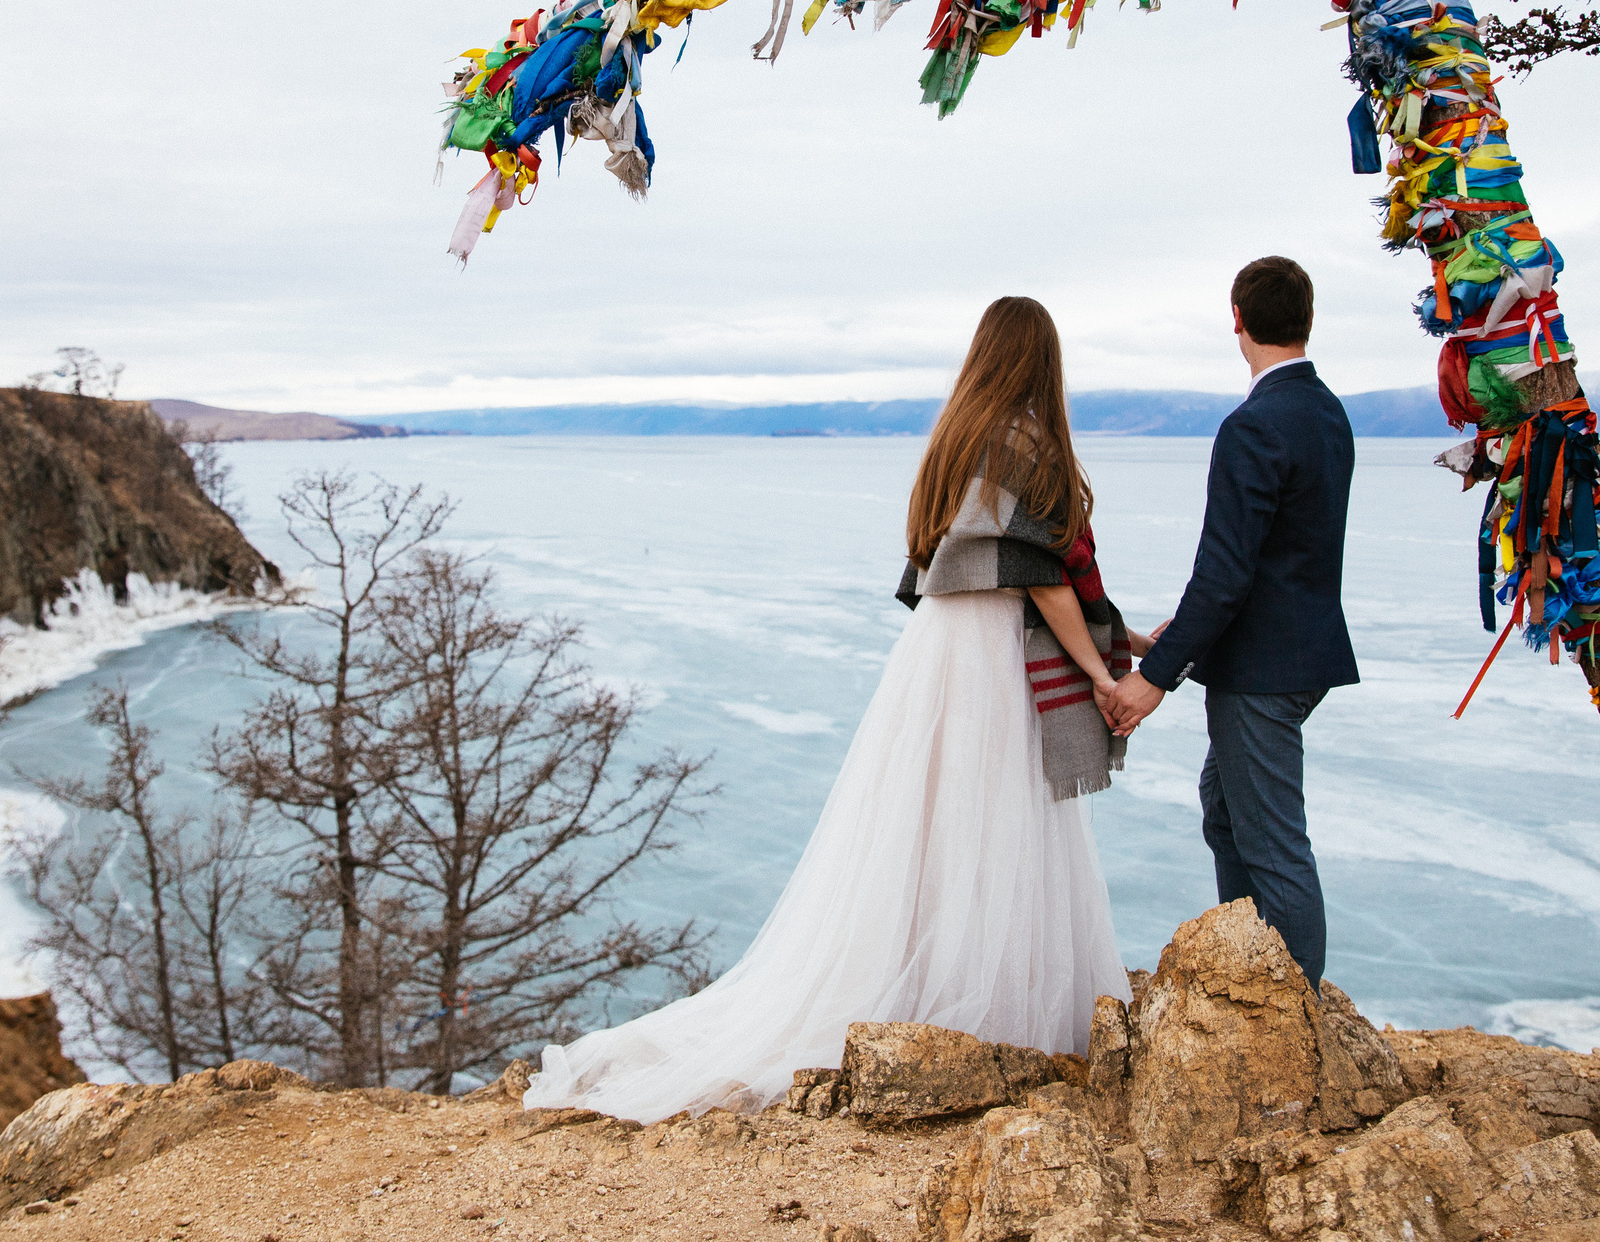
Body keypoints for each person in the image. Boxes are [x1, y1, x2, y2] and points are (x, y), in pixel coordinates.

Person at [526, 296, 1138, 1121]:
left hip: (940, 648)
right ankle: (980, 1003)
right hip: (991, 648)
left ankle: (929, 984)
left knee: (926, 824)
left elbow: (970, 559)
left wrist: (1120, 636)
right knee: (997, 820)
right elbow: (1038, 575)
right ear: (1043, 360)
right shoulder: (1023, 439)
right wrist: (1102, 670)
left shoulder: (956, 434)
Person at [1101, 256, 1358, 986]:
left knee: (1275, 844)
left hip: (1262, 670)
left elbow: (1226, 573)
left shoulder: (1252, 425)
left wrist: (1153, 676)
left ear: (1238, 321)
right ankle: (1253, 969)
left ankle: (1292, 1018)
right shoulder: (1329, 412)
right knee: (1225, 804)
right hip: (1304, 653)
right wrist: (1182, 629)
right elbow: (1280, 550)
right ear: (1304, 319)